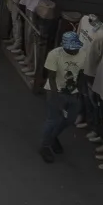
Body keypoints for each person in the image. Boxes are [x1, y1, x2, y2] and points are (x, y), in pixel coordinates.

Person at [39, 29, 91, 162]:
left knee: (70, 120)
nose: (75, 51)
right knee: (53, 119)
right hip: (55, 90)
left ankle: (53, 137)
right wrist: (57, 97)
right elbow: (51, 78)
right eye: (72, 49)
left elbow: (81, 74)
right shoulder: (54, 55)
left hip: (73, 91)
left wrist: (79, 90)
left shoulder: (83, 55)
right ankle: (44, 146)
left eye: (76, 49)